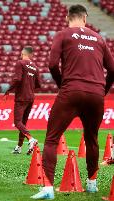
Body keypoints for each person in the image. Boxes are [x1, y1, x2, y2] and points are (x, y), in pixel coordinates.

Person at [31, 5, 114, 199]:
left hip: (71, 91)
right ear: (85, 18)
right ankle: (92, 184)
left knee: (52, 138)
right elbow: (112, 69)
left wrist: (62, 84)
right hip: (95, 94)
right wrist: (103, 89)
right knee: (92, 139)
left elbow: (52, 64)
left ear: (68, 17)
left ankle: (48, 188)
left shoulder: (63, 34)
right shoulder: (99, 38)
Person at [3, 46, 40, 155]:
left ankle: (31, 139)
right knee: (23, 123)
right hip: (30, 97)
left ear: (23, 53)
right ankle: (19, 147)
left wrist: (8, 90)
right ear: (31, 55)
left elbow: (17, 79)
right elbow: (38, 84)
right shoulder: (35, 67)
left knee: (17, 122)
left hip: (21, 97)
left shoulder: (20, 63)